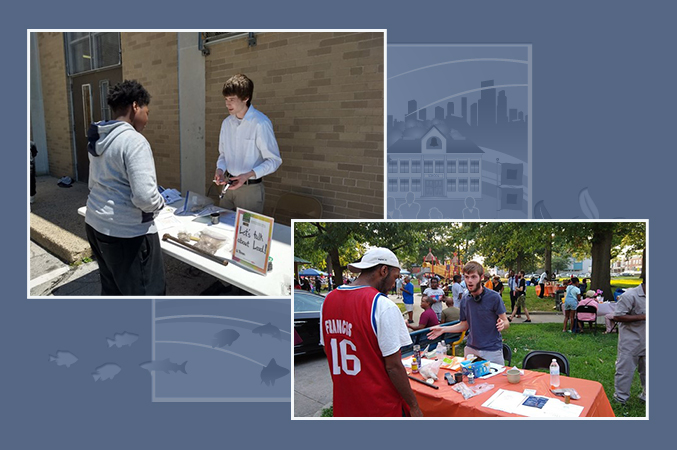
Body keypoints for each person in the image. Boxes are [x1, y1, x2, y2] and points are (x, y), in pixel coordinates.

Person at [85, 80, 166, 296]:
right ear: (135, 106)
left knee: (113, 290)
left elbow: (93, 183)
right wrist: (161, 203)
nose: (147, 120)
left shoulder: (100, 136)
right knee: (147, 296)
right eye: (146, 112)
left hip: (96, 224)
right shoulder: (134, 141)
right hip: (127, 234)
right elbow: (145, 198)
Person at [320, 247, 423, 417]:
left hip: (345, 403)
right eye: (395, 277)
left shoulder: (328, 301)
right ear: (384, 270)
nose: (393, 285)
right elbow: (394, 367)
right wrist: (414, 406)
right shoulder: (382, 305)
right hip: (380, 406)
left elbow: (328, 349)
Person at [214, 74, 282, 214]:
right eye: (226, 99)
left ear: (246, 98)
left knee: (246, 233)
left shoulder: (260, 123)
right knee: (220, 229)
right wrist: (220, 169)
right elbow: (223, 154)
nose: (227, 104)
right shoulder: (226, 123)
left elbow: (274, 161)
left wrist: (248, 175)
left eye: (232, 99)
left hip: (250, 191)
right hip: (228, 185)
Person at [427, 261, 510, 365]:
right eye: (466, 277)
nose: (469, 281)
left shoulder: (494, 297)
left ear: (481, 277)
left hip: (492, 350)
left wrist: (503, 324)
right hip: (471, 349)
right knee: (468, 380)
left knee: (497, 381)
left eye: (473, 277)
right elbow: (464, 325)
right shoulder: (465, 299)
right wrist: (443, 329)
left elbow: (506, 322)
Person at [612, 278, 646, 405]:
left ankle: (646, 396)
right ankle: (620, 398)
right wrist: (643, 316)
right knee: (625, 371)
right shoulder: (629, 296)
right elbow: (617, 316)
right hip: (631, 341)